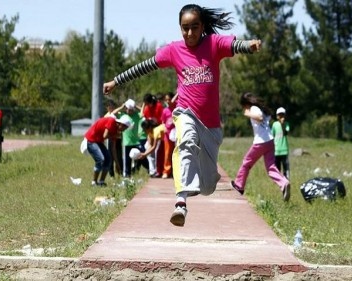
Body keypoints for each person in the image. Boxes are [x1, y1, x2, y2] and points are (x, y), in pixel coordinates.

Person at [103, 4, 262, 227]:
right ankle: (180, 202)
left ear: (203, 26)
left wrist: (249, 45)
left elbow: (234, 45)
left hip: (211, 126)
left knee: (207, 188)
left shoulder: (213, 44)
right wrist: (116, 81)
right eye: (184, 28)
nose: (189, 33)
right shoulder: (174, 50)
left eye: (194, 27)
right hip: (186, 112)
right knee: (184, 141)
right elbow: (144, 66)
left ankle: (204, 178)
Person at [231, 93, 290, 201]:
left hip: (261, 142)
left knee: (246, 162)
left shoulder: (254, 108)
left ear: (246, 104)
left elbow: (260, 117)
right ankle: (284, 183)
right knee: (271, 168)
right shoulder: (261, 109)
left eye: (243, 106)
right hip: (270, 141)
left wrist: (248, 114)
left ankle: (239, 185)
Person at [84, 114, 132, 186]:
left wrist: (117, 164)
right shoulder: (111, 121)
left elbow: (113, 149)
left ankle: (101, 182)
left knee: (108, 159)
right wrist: (114, 136)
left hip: (98, 141)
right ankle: (94, 182)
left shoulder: (116, 132)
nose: (124, 131)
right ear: (121, 124)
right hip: (90, 140)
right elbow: (105, 135)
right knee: (101, 159)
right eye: (124, 128)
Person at [104, 99, 123, 177]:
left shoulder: (118, 113)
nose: (112, 108)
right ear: (107, 108)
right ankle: (111, 174)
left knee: (119, 156)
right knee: (111, 156)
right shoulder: (107, 116)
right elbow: (112, 114)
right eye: (110, 107)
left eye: (113, 107)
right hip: (110, 138)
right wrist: (121, 107)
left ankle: (120, 172)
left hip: (118, 137)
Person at [271, 107, 290, 179]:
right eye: (280, 115)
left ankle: (286, 180)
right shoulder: (274, 124)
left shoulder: (286, 124)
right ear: (277, 116)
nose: (282, 117)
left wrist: (283, 124)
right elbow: (272, 135)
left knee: (286, 168)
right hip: (276, 150)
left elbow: (286, 133)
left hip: (284, 150)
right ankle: (279, 181)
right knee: (277, 168)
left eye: (283, 115)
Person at [161, 92, 176, 178]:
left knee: (177, 153)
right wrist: (164, 128)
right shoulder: (165, 110)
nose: (168, 101)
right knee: (167, 153)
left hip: (177, 134)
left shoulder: (177, 107)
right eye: (166, 100)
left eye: (169, 99)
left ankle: (176, 171)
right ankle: (166, 171)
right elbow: (163, 122)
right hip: (168, 135)